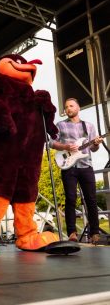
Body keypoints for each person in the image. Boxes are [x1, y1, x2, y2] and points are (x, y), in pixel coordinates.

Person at [49, 98, 103, 244]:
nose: (68, 109)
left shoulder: (89, 126)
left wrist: (97, 144)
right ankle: (72, 232)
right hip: (68, 166)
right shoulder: (60, 125)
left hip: (86, 166)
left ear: (78, 108)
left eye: (71, 106)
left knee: (91, 200)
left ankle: (95, 233)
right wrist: (66, 147)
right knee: (70, 199)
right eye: (66, 107)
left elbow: (93, 148)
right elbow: (51, 142)